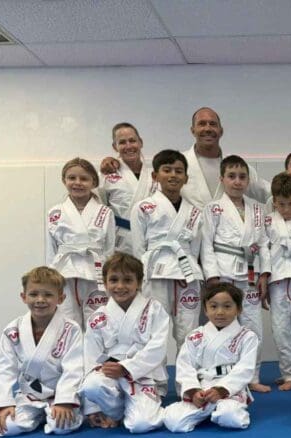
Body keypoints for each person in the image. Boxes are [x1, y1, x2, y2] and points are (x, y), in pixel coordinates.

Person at [201, 154, 271, 393]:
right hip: (224, 274)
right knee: (224, 327)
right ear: (222, 178)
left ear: (248, 180)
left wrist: (264, 274)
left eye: (242, 177)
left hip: (250, 275)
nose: (237, 181)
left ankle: (252, 377)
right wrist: (212, 277)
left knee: (254, 329)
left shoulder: (257, 209)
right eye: (232, 176)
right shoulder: (213, 208)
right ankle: (224, 376)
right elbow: (206, 244)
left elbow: (263, 243)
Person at [131, 149, 203, 378]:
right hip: (156, 272)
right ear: (155, 176)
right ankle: (156, 385)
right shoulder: (143, 207)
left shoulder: (195, 211)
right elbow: (138, 248)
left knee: (188, 332)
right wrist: (140, 279)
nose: (173, 175)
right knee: (155, 332)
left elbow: (197, 248)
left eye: (179, 171)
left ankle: (188, 384)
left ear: (186, 178)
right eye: (167, 170)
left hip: (187, 273)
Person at [0, 266, 84, 437]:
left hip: (59, 393)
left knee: (61, 427)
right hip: (30, 395)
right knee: (7, 427)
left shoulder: (72, 329)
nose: (40, 300)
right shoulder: (13, 330)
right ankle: (38, 413)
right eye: (33, 294)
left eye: (48, 295)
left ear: (61, 298)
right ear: (23, 297)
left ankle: (54, 412)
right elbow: (4, 369)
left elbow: (74, 369)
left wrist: (65, 401)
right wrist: (4, 404)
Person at [79, 253, 168, 433]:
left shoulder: (154, 309)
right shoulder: (97, 318)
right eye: (114, 280)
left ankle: (130, 407)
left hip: (143, 374)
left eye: (127, 280)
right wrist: (93, 407)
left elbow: (157, 348)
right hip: (110, 374)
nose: (120, 286)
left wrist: (126, 367)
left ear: (140, 282)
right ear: (105, 283)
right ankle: (118, 410)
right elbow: (90, 358)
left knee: (141, 425)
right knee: (91, 385)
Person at [163, 283, 259, 432]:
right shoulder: (195, 336)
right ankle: (210, 410)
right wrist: (193, 390)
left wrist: (221, 390)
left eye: (227, 306)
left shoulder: (247, 336)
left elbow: (245, 369)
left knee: (231, 417)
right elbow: (185, 366)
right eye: (213, 306)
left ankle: (214, 410)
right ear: (205, 310)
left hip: (229, 389)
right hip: (202, 389)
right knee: (173, 422)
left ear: (238, 309)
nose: (220, 312)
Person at [46, 157, 116, 328]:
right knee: (67, 325)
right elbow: (51, 249)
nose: (77, 183)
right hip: (65, 274)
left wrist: (108, 277)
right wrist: (50, 279)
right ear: (64, 180)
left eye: (84, 178)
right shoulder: (55, 212)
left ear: (93, 182)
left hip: (95, 275)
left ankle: (97, 356)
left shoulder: (104, 212)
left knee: (98, 326)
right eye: (72, 178)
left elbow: (109, 249)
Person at [265, 173, 291, 391]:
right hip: (277, 280)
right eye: (281, 204)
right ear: (274, 202)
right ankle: (289, 373)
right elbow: (262, 251)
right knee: (281, 329)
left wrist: (290, 244)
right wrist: (263, 278)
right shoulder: (268, 222)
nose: (287, 209)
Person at [182, 106, 269, 208]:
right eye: (202, 124)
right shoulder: (178, 165)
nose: (208, 128)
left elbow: (268, 191)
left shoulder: (237, 166)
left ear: (221, 131)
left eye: (213, 124)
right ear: (193, 130)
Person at [98, 122, 157, 254]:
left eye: (132, 141)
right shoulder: (107, 176)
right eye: (122, 142)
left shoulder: (155, 175)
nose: (129, 146)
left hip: (151, 239)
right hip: (120, 243)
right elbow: (98, 211)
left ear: (140, 142)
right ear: (115, 147)